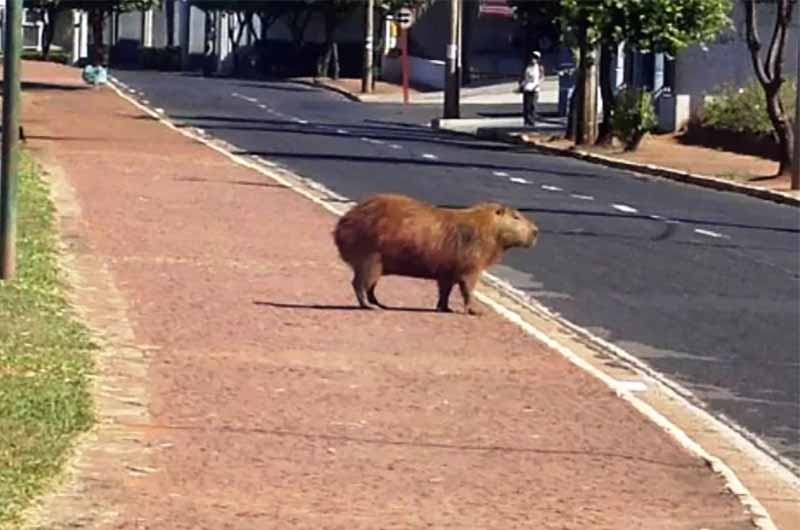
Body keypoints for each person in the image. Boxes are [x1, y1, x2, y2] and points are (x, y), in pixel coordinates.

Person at [519, 51, 544, 127]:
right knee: (526, 105)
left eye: (536, 58)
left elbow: (542, 77)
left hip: (535, 88)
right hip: (527, 88)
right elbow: (522, 77)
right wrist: (521, 85)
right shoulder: (527, 67)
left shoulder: (539, 67)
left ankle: (532, 120)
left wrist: (538, 84)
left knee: (533, 105)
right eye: (533, 57)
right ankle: (526, 120)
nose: (533, 59)